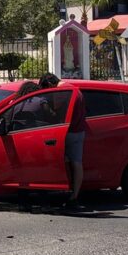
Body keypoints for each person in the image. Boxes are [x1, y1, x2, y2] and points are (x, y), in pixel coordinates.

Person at [39, 73, 86, 209]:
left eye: (46, 90)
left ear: (50, 84)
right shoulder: (75, 89)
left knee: (61, 160)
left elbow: (55, 114)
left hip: (67, 132)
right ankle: (74, 196)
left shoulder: (63, 92)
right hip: (79, 130)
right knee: (77, 163)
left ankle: (63, 191)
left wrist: (44, 103)